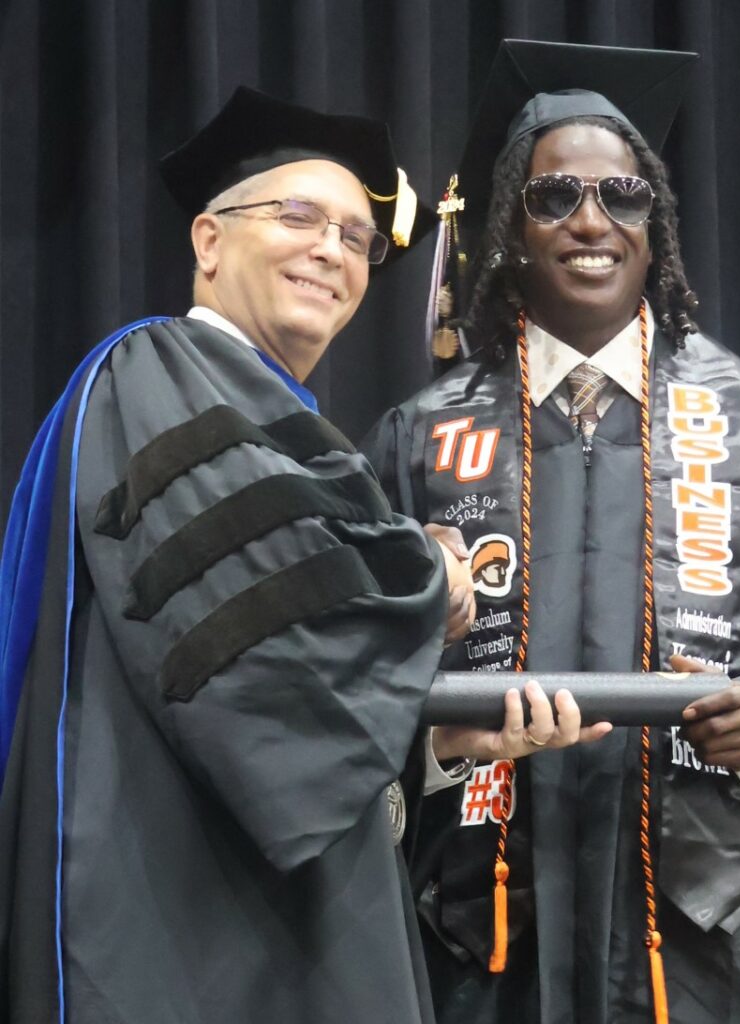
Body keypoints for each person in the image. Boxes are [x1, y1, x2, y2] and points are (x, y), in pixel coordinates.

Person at [363, 41, 740, 1024]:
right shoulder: (423, 437)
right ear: (507, 230)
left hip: (708, 949)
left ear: (654, 223)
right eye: (552, 198)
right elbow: (352, 671)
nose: (590, 220)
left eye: (622, 194)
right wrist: (441, 743)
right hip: (482, 941)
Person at [0, 86, 488, 1024]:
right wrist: (434, 580)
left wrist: (440, 738)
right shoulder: (159, 372)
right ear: (209, 242)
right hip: (178, 916)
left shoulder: (277, 422)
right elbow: (272, 635)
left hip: (249, 904)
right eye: (297, 215)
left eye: (357, 237)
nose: (331, 251)